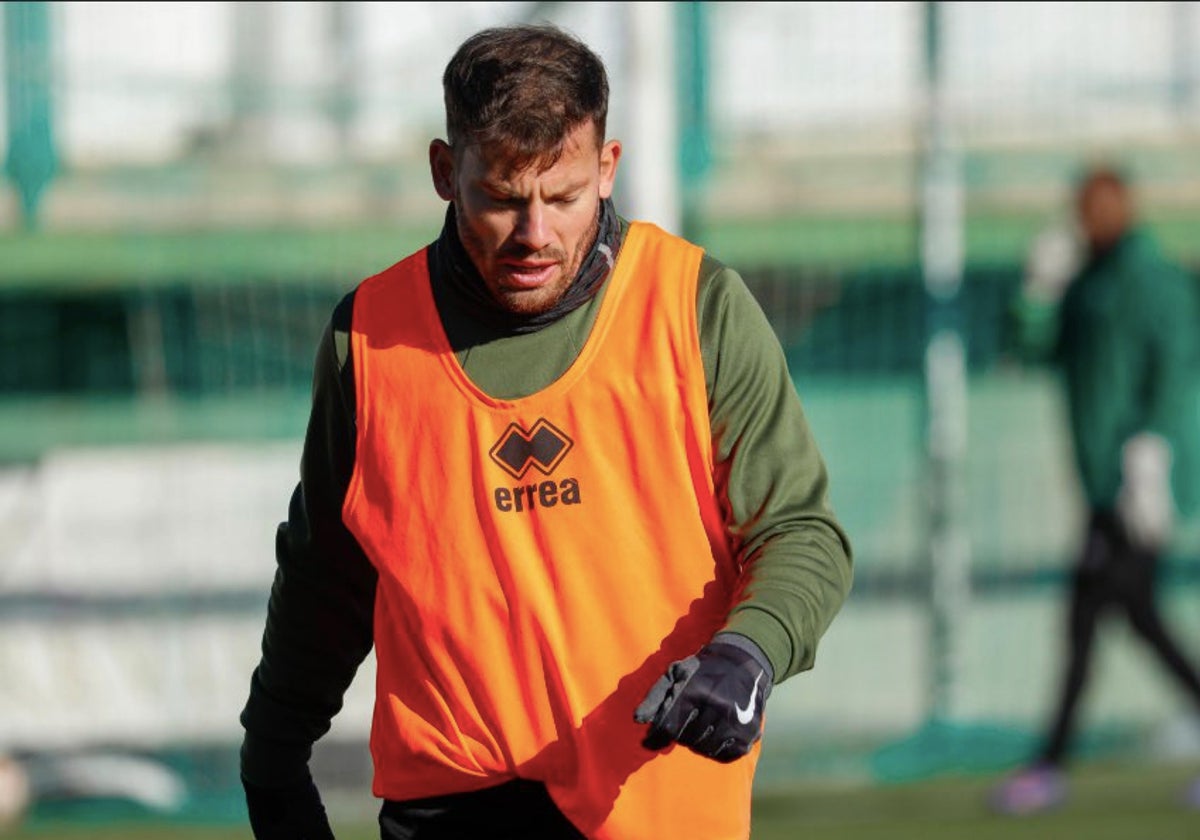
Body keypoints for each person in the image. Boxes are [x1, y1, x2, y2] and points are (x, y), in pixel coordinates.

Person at [238, 23, 853, 840]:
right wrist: (274, 749)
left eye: (562, 197)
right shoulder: (370, 336)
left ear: (608, 169)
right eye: (500, 196)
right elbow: (328, 572)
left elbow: (802, 532)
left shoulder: (695, 305)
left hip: (654, 804)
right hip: (449, 811)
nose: (535, 234)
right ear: (443, 172)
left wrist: (750, 653)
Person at [991, 165, 1200, 815]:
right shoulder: (1086, 284)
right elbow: (1033, 348)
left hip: (1140, 487)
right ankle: (1048, 766)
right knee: (1133, 620)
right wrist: (1037, 291)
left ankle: (1048, 766)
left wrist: (1154, 454)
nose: (1088, 219)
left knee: (1095, 622)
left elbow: (1176, 364)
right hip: (1103, 488)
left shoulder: (1154, 280)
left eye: (1098, 206)